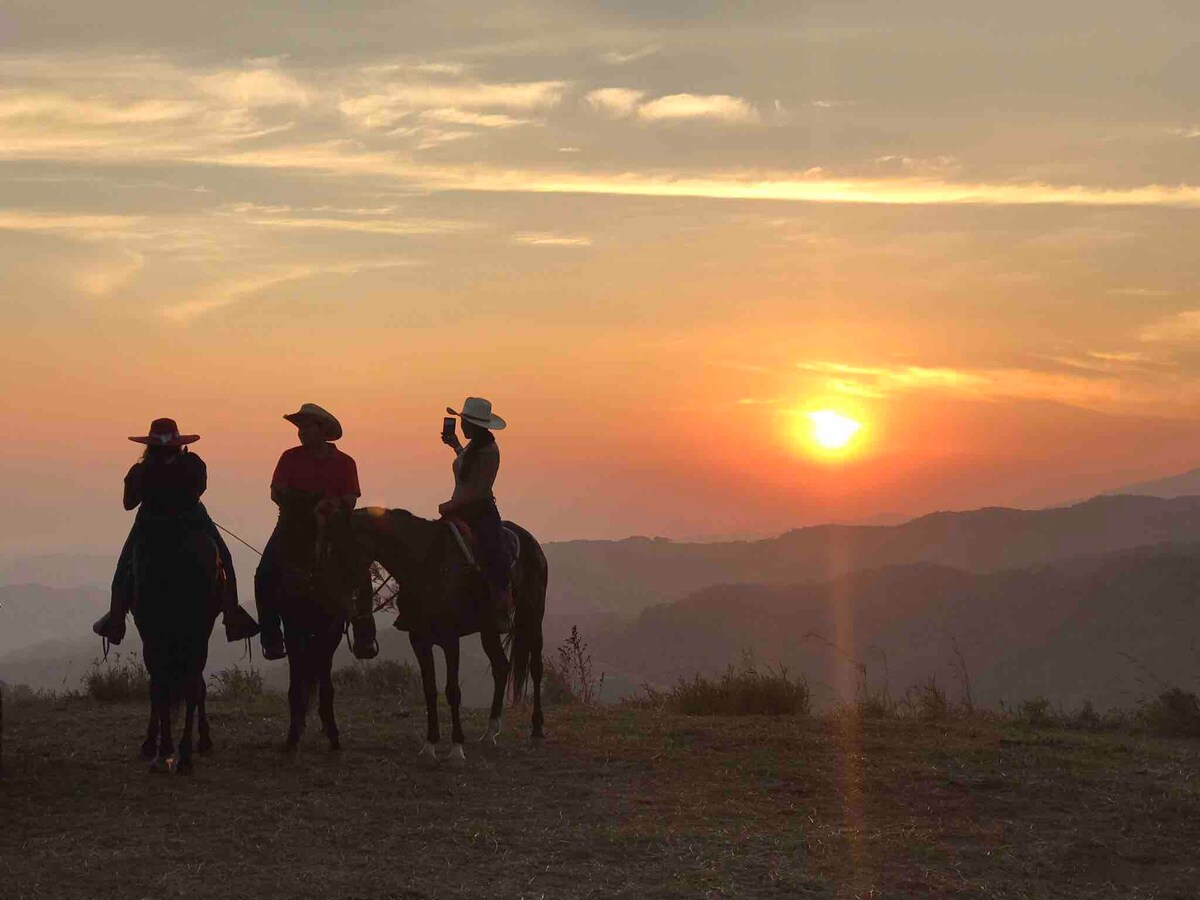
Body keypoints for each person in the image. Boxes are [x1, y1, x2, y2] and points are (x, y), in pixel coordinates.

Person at [93, 418, 259, 644]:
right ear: (178, 442)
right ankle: (232, 616)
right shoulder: (193, 463)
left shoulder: (141, 469)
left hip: (150, 522)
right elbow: (200, 489)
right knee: (225, 561)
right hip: (193, 518)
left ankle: (116, 621)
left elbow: (128, 503)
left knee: (123, 570)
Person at [255, 403, 377, 660]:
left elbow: (351, 497)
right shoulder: (289, 457)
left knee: (359, 572)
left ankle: (364, 633)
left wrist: (330, 504)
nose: (301, 432)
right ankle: (272, 637)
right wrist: (300, 504)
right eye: (300, 428)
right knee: (265, 574)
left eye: (307, 427)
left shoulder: (345, 462)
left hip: (335, 526)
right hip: (292, 524)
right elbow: (275, 491)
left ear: (322, 430)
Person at [439, 396, 513, 632]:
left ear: (476, 426)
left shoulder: (489, 452)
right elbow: (467, 471)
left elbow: (477, 489)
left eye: (465, 421)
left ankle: (502, 606)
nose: (462, 425)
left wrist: (450, 505)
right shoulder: (475, 447)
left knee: (494, 553)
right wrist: (456, 446)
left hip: (478, 511)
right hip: (460, 510)